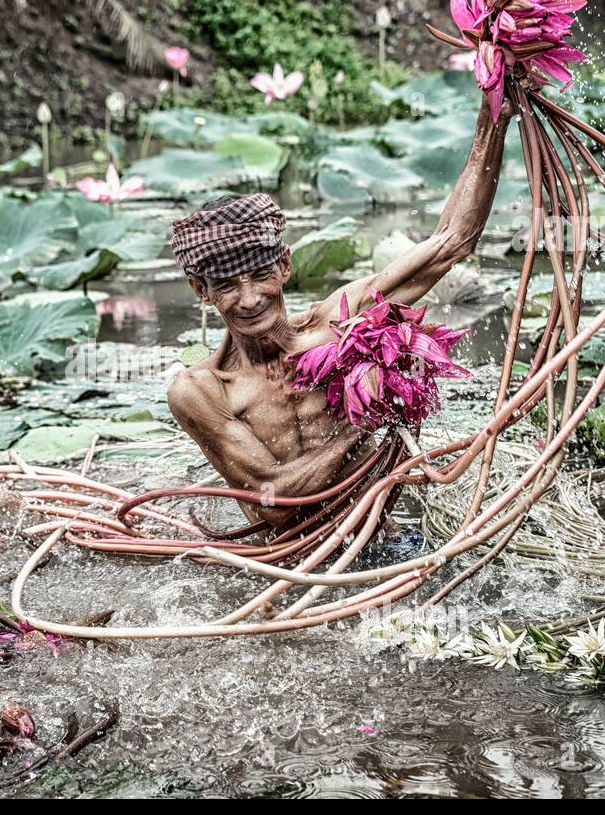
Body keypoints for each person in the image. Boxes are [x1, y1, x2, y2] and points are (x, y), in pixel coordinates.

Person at [166, 95, 511, 528]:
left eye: (259, 275)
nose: (250, 298)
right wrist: (368, 418)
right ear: (201, 290)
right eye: (227, 286)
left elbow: (453, 241)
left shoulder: (341, 322)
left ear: (285, 266)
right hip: (290, 560)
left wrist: (493, 117)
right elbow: (272, 501)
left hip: (376, 534)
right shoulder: (201, 392)